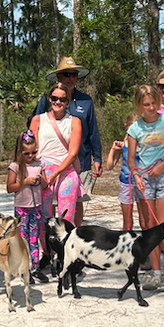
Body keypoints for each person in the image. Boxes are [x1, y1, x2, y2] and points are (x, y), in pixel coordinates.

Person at [127, 85, 164, 291]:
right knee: (149, 227)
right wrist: (136, 175)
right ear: (139, 105)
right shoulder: (134, 129)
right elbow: (131, 161)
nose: (151, 107)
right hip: (145, 181)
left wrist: (162, 166)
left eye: (153, 103)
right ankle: (155, 273)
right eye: (146, 104)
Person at [33, 57, 102, 226]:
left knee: (75, 205)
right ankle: (49, 248)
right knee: (47, 209)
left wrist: (98, 157)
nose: (70, 78)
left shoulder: (86, 101)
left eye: (74, 74)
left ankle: (73, 241)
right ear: (58, 77)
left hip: (80, 160)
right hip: (47, 165)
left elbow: (93, 130)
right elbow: (34, 131)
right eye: (66, 74)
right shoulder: (45, 100)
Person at [29, 82, 82, 225]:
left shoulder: (74, 122)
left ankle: (65, 247)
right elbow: (31, 148)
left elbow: (72, 153)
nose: (57, 102)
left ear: (67, 101)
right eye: (54, 98)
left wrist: (55, 174)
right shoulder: (38, 120)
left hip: (65, 171)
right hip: (43, 171)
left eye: (62, 99)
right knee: (44, 217)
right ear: (49, 98)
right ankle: (46, 247)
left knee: (66, 217)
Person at [6, 130, 49, 283]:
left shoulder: (39, 164)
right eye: (26, 153)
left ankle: (35, 267)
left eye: (33, 152)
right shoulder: (15, 166)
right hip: (22, 208)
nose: (30, 156)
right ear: (20, 152)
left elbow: (45, 185)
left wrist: (40, 179)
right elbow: (10, 187)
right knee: (23, 239)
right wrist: (24, 182)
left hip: (36, 207)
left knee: (34, 237)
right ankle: (24, 269)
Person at [105, 113, 142, 230]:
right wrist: (113, 150)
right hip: (126, 183)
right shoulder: (123, 144)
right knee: (127, 221)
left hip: (142, 183)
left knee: (145, 220)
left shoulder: (145, 143)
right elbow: (109, 166)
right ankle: (126, 245)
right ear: (126, 127)